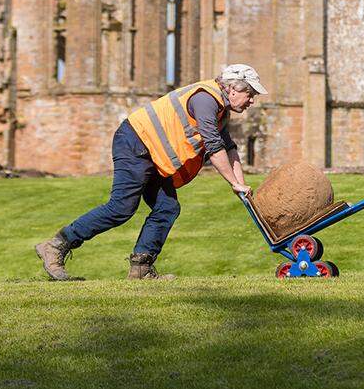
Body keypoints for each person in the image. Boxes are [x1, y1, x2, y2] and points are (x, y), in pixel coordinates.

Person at [34, 64, 267, 280]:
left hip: (152, 153)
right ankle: (56, 245)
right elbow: (214, 148)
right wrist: (233, 183)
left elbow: (229, 149)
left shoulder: (219, 111)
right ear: (234, 88)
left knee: (167, 208)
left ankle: (141, 268)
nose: (252, 101)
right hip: (135, 142)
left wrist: (240, 185)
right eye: (251, 95)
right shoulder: (206, 99)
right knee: (121, 207)